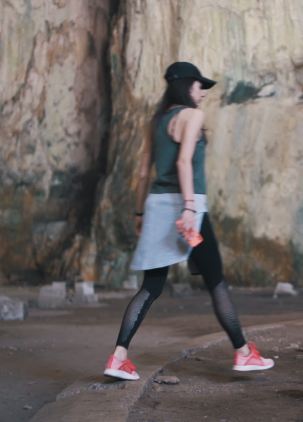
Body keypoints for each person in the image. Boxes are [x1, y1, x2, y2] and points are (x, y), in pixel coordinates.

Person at [104, 62, 274, 380]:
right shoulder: (193, 116)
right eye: (199, 87)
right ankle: (244, 353)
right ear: (185, 86)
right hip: (187, 213)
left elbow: (143, 174)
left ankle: (118, 357)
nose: (203, 94)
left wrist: (140, 214)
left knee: (151, 286)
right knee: (215, 281)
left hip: (156, 209)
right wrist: (189, 208)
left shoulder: (155, 122)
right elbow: (184, 162)